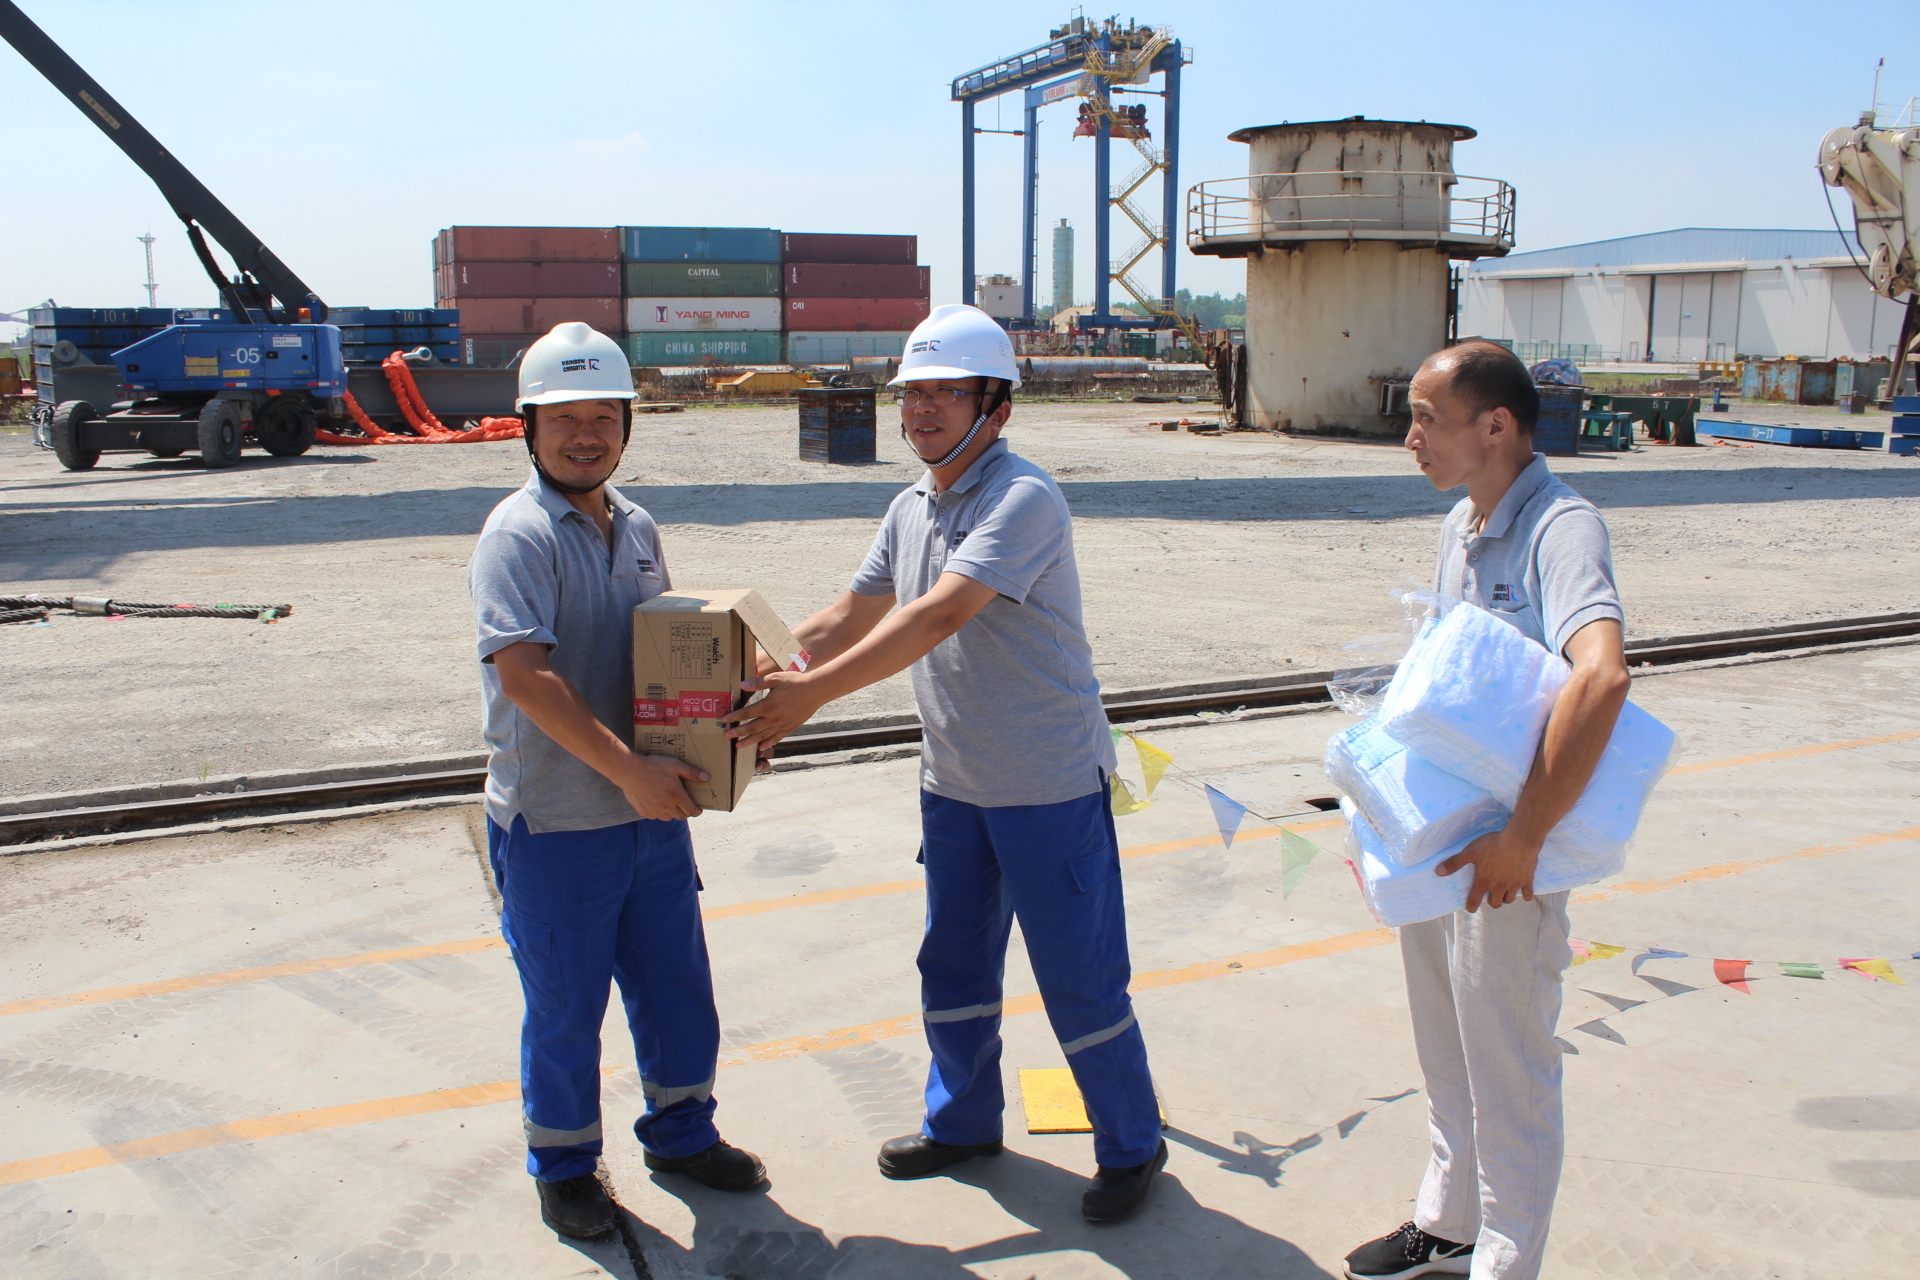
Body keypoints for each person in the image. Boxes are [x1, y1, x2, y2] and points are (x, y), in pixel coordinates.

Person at [720, 304, 1167, 1223]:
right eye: (911, 394)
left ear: (996, 406)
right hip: (955, 787)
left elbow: (938, 614)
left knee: (1079, 977)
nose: (921, 410)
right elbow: (848, 615)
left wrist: (810, 697)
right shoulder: (911, 505)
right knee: (953, 967)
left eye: (944, 393)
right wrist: (762, 665)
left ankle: (1131, 1144)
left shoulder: (1023, 498)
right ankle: (962, 1122)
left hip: (1047, 785)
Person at [468, 322, 766, 1241]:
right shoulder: (517, 535)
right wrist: (629, 772)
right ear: (529, 428)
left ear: (628, 424)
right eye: (565, 418)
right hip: (559, 823)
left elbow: (668, 658)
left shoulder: (636, 525)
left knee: (676, 988)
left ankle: (682, 1135)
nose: (586, 435)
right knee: (566, 1008)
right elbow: (526, 678)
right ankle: (564, 1167)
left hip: (653, 814)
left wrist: (730, 725)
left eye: (604, 416)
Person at [1342, 342, 1630, 1280]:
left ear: (1496, 426)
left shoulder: (1561, 528)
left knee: (1508, 1064)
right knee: (1447, 1044)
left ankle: (1505, 1263)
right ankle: (1450, 1222)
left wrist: (1526, 838)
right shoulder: (1462, 523)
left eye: (1427, 418)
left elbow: (1602, 677)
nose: (1411, 437)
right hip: (1442, 843)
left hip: (1510, 855)